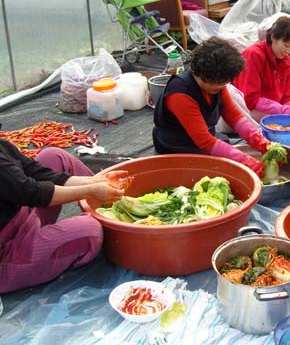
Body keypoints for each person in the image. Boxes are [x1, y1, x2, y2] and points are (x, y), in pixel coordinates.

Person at [0, 141, 130, 293]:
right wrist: (89, 191)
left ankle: (111, 206)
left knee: (54, 156)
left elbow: (35, 173)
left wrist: (96, 181)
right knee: (90, 230)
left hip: (23, 215)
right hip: (8, 252)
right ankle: (117, 234)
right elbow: (32, 192)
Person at [153, 36, 271, 177]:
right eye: (218, 82)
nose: (221, 86)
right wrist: (245, 160)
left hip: (204, 140)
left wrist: (259, 140)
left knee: (235, 152)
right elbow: (205, 141)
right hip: (177, 148)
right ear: (201, 73)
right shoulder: (180, 92)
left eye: (224, 82)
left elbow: (233, 116)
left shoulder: (216, 84)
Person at [232, 16, 290, 122]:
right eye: (286, 45)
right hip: (246, 109)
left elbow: (286, 97)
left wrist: (288, 107)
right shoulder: (254, 55)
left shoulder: (286, 61)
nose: (289, 51)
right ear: (273, 37)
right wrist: (280, 109)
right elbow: (250, 99)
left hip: (272, 108)